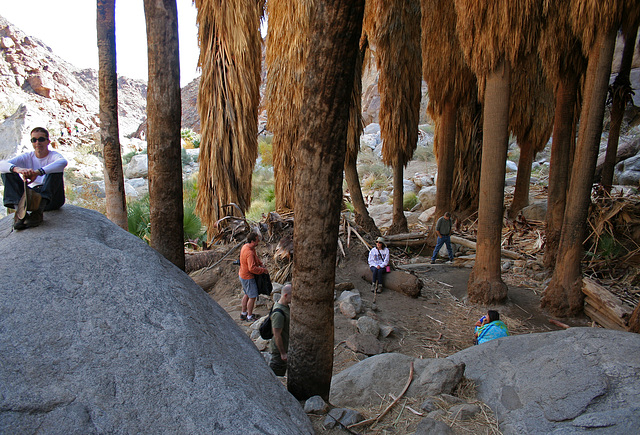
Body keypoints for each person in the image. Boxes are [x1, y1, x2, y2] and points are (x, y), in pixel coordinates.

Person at [0, 127, 67, 230]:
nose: (37, 143)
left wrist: (38, 172)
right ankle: (20, 213)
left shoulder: (54, 156)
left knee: (55, 171)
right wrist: (18, 169)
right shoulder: (27, 156)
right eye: (34, 140)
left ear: (48, 141)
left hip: (51, 199)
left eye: (41, 139)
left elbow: (63, 163)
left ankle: (38, 212)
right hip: (31, 196)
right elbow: (2, 165)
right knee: (8, 171)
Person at [238, 232, 267, 321]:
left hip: (242, 274)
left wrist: (260, 263)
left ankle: (243, 313)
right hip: (248, 277)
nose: (258, 241)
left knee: (247, 294)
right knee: (252, 296)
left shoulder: (247, 246)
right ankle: (249, 316)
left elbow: (255, 257)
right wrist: (263, 270)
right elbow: (252, 268)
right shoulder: (249, 252)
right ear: (253, 241)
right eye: (257, 240)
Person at [269, 284, 292, 376]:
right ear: (286, 295)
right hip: (278, 353)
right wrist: (282, 353)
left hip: (284, 348)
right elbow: (277, 334)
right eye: (292, 296)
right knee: (276, 377)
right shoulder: (278, 313)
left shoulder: (285, 307)